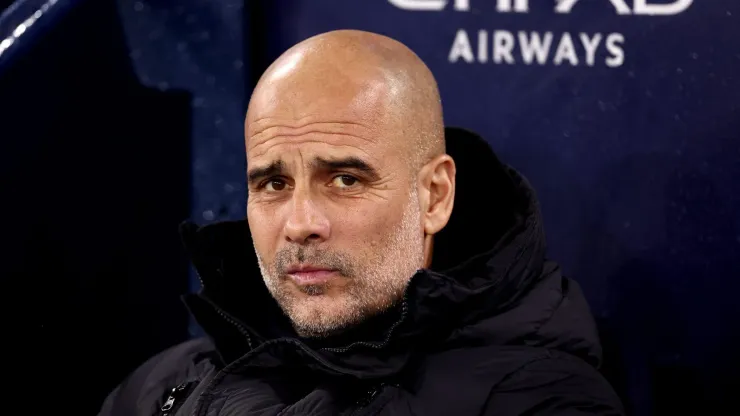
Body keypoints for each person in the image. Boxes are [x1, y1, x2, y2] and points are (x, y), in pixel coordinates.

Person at [98, 30, 624, 415]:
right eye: (274, 184)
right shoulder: (165, 382)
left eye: (346, 179)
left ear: (435, 196)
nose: (300, 223)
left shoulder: (539, 401)